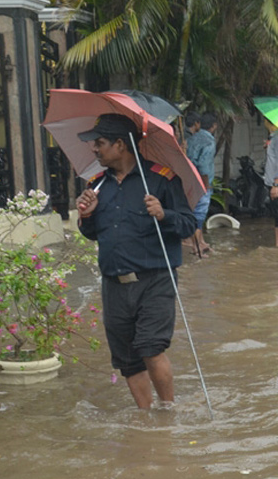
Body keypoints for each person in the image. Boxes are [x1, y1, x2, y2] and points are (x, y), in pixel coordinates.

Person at [75, 113, 195, 409]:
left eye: (99, 143)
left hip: (155, 281)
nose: (94, 149)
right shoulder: (97, 185)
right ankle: (145, 417)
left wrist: (164, 213)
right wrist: (86, 215)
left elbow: (189, 225)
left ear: (120, 145)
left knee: (151, 348)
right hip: (114, 284)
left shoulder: (161, 179)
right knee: (128, 359)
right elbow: (92, 234)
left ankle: (167, 413)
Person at [183, 111, 217, 257]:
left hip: (188, 180)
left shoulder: (192, 139)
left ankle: (199, 243)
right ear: (214, 126)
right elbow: (203, 164)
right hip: (201, 182)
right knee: (199, 214)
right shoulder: (209, 141)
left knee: (194, 213)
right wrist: (205, 185)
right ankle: (197, 249)